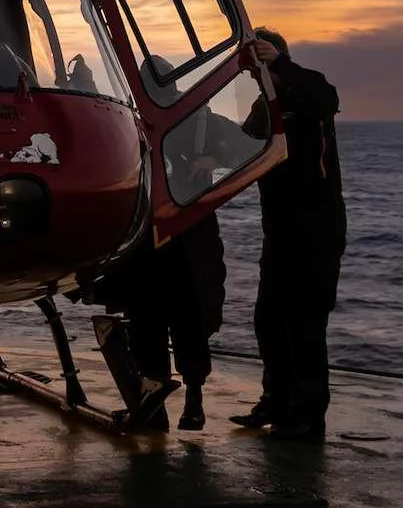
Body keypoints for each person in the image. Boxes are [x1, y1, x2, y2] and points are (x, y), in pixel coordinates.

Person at [95, 56, 228, 431]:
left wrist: (212, 159)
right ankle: (158, 406)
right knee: (148, 325)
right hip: (148, 241)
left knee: (187, 322)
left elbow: (240, 146)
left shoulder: (198, 119)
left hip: (187, 239)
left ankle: (192, 401)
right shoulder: (134, 118)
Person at [232, 27, 346, 441]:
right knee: (270, 321)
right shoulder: (268, 109)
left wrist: (280, 61)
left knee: (306, 325)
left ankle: (308, 415)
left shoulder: (309, 95)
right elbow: (238, 147)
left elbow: (327, 96)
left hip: (317, 233)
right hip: (279, 234)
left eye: (262, 60)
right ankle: (275, 402)